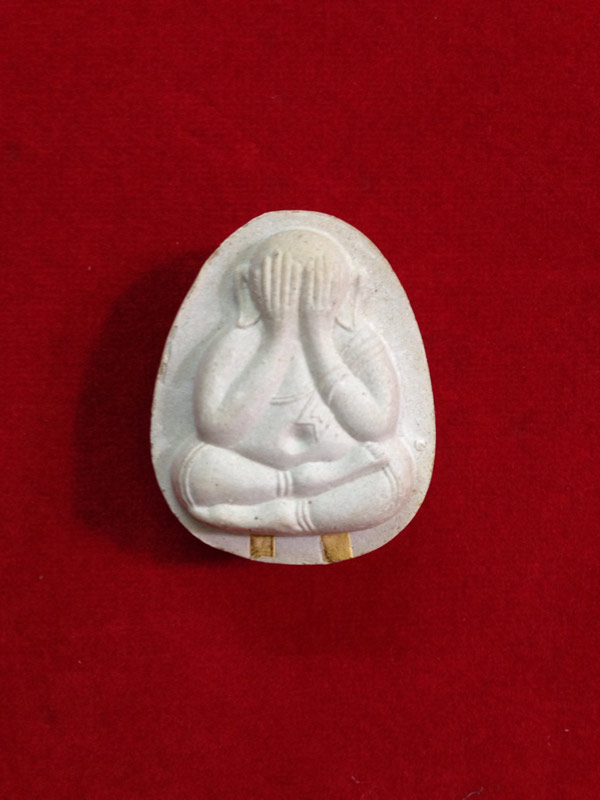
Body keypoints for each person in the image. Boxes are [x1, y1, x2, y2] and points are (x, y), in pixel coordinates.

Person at [172, 228, 414, 535]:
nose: (300, 296)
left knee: (394, 467)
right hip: (253, 473)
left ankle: (285, 516)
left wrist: (318, 339)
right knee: (194, 465)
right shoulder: (239, 341)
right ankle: (289, 503)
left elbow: (376, 428)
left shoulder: (355, 340)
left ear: (352, 286)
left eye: (319, 283)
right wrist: (279, 338)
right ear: (247, 284)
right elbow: (216, 431)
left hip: (342, 473)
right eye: (280, 282)